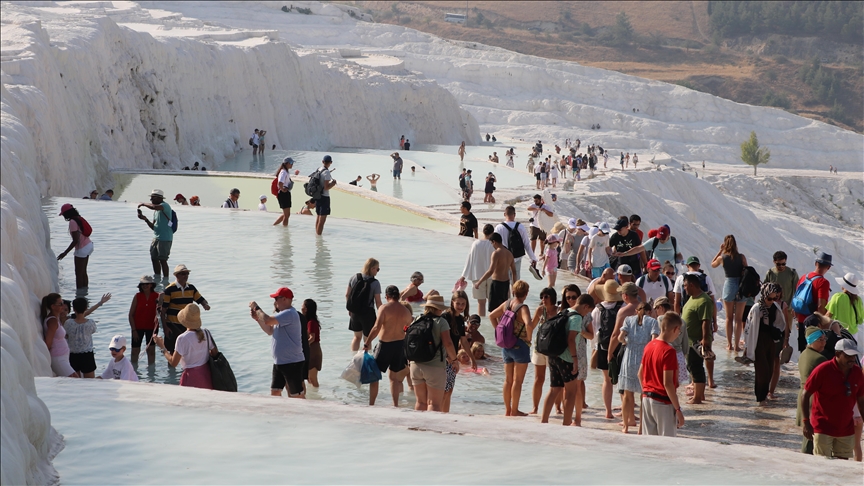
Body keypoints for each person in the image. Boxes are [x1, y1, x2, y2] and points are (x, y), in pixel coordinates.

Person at [802, 339, 864, 460]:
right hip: (823, 427)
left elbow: (861, 400)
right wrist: (805, 421)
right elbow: (805, 395)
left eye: (853, 356)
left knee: (842, 467)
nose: (851, 359)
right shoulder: (823, 370)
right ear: (837, 354)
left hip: (846, 428)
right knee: (821, 465)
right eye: (847, 356)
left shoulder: (857, 372)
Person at [542, 293, 596, 426]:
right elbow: (571, 339)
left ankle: (543, 421)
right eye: (587, 311)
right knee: (571, 392)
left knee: (554, 389)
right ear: (585, 306)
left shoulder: (565, 311)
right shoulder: (577, 317)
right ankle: (566, 424)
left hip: (554, 355)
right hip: (566, 358)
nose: (586, 314)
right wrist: (575, 359)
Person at [249, 288, 306, 398]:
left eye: (276, 298)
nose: (274, 302)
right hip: (279, 362)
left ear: (284, 299)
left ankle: (306, 413)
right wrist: (257, 319)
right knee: (275, 393)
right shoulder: (282, 315)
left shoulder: (290, 313)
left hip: (292, 362)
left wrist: (256, 307)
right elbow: (269, 330)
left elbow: (267, 319)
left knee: (297, 396)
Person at [489, 280, 534, 416]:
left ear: (513, 291)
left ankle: (507, 410)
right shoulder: (523, 307)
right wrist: (529, 338)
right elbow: (529, 324)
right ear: (526, 293)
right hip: (519, 345)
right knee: (518, 381)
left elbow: (491, 316)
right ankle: (515, 410)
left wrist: (498, 330)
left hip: (506, 346)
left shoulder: (507, 304)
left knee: (508, 380)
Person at [364, 285, 412, 406]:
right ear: (398, 296)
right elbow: (408, 331)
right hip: (399, 346)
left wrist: (367, 342)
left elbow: (376, 327)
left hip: (385, 345)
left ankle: (371, 404)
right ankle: (395, 404)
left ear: (387, 296)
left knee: (375, 375)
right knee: (394, 378)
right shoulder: (406, 311)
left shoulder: (384, 308)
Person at [639, 311, 686, 437]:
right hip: (663, 402)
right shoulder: (669, 351)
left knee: (650, 445)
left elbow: (640, 374)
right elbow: (668, 383)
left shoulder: (649, 345)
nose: (678, 334)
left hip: (646, 399)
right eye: (679, 331)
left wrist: (645, 390)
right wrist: (678, 409)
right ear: (675, 329)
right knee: (667, 445)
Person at [409, 294, 458, 411]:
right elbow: (448, 343)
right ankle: (431, 429)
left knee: (420, 402)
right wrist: (455, 360)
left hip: (415, 365)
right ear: (439, 309)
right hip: (434, 367)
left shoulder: (417, 319)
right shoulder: (441, 322)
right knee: (434, 404)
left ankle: (418, 427)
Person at [742, 283, 786, 405]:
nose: (772, 301)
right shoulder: (757, 308)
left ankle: (764, 395)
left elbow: (780, 323)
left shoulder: (775, 307)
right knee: (762, 370)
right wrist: (748, 346)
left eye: (774, 298)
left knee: (770, 369)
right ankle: (760, 397)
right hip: (758, 341)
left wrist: (777, 332)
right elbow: (750, 328)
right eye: (769, 298)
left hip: (770, 342)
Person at [154, 303, 214, 389]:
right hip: (207, 375)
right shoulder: (206, 333)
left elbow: (174, 363)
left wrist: (162, 347)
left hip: (191, 377)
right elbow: (214, 352)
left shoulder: (182, 338)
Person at [160, 264, 210, 354]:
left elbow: (200, 299)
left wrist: (205, 305)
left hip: (188, 324)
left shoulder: (191, 288)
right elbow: (163, 311)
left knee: (188, 350)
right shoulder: (169, 290)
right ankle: (172, 368)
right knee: (172, 351)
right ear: (176, 275)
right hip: (173, 325)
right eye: (183, 274)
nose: (185, 276)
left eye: (187, 273)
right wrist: (165, 328)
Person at [440, 291, 477, 412]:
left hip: (453, 359)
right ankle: (438, 415)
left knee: (449, 390)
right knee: (443, 391)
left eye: (463, 304)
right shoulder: (445, 317)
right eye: (458, 303)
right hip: (443, 358)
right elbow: (443, 339)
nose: (460, 306)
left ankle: (446, 415)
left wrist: (472, 358)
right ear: (452, 302)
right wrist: (448, 356)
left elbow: (464, 341)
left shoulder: (461, 320)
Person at [711, 235, 748, 352]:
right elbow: (747, 270)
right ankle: (737, 345)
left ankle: (729, 345)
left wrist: (720, 250)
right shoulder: (741, 257)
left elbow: (712, 264)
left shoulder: (722, 258)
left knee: (728, 318)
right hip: (741, 286)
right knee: (738, 318)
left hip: (729, 284)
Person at [682, 273, 715, 404]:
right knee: (691, 366)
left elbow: (706, 321)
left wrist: (705, 339)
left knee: (696, 367)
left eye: (685, 286)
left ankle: (698, 397)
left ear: (691, 285)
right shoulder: (692, 297)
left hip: (697, 340)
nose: (684, 288)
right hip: (688, 340)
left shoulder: (704, 300)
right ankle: (698, 394)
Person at [797, 327, 829, 454]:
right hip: (812, 399)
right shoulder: (819, 359)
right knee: (811, 438)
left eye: (824, 339)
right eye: (820, 340)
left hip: (803, 396)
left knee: (808, 436)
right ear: (811, 341)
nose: (823, 342)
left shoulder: (804, 354)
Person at [530, 287, 561, 415]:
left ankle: (558, 407)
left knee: (556, 380)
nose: (543, 299)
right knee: (539, 378)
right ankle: (535, 407)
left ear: (552, 298)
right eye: (542, 297)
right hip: (540, 348)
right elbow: (531, 326)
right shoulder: (540, 310)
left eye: (546, 297)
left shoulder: (559, 311)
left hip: (554, 349)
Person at [794, 252, 833, 352]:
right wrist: (822, 324)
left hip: (801, 320)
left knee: (804, 352)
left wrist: (797, 320)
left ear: (816, 263)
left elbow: (797, 299)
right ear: (828, 267)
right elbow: (820, 306)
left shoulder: (804, 277)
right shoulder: (823, 282)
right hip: (813, 324)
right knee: (814, 352)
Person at [65, 294, 110, 378]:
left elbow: (67, 334)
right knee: (90, 382)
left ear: (74, 309)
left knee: (75, 382)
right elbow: (92, 331)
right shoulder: (90, 323)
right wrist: (100, 303)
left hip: (73, 355)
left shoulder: (68, 323)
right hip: (87, 355)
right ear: (86, 308)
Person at [458, 224, 495, 315]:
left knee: (481, 303)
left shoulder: (475, 244)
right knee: (493, 303)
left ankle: (481, 323)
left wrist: (463, 276)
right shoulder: (494, 244)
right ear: (493, 232)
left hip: (477, 276)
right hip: (492, 276)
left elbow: (469, 260)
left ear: (483, 232)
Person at [764, 250, 799, 348]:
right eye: (779, 264)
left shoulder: (792, 273)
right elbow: (764, 289)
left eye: (784, 264)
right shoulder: (770, 273)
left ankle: (781, 352)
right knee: (772, 331)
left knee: (785, 333)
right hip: (772, 308)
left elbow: (797, 290)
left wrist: (794, 307)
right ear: (774, 262)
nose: (781, 266)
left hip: (787, 309)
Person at [474, 233, 517, 312]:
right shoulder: (509, 253)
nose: (492, 245)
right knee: (503, 309)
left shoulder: (496, 253)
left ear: (494, 242)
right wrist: (514, 286)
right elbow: (514, 271)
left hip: (497, 284)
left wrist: (479, 282)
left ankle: (496, 324)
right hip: (506, 284)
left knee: (494, 310)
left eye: (491, 243)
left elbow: (491, 271)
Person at [346, 258, 383, 351]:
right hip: (368, 313)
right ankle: (366, 360)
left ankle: (353, 358)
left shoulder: (354, 277)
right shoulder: (375, 283)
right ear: (372, 268)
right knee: (367, 340)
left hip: (355, 312)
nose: (377, 271)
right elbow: (378, 302)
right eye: (377, 269)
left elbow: (347, 295)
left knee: (356, 337)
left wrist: (350, 309)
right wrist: (382, 314)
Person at [40, 293, 79, 378]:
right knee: (75, 378)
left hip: (63, 356)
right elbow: (48, 342)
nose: (63, 305)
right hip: (58, 357)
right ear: (53, 306)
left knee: (69, 381)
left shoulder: (56, 318)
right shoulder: (52, 321)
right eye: (60, 303)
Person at [494, 206, 538, 281]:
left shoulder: (499, 228)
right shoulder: (520, 227)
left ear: (504, 214)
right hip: (517, 257)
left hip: (503, 257)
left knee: (504, 280)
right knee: (515, 280)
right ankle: (515, 292)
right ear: (514, 214)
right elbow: (526, 244)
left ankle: (507, 293)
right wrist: (533, 258)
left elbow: (494, 244)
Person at [57, 203, 94, 290]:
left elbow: (75, 240)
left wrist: (65, 253)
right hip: (89, 244)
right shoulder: (79, 218)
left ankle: (79, 295)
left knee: (78, 273)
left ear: (67, 213)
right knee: (83, 272)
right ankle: (85, 291)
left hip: (82, 248)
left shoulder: (72, 222)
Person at [137, 189, 173, 278]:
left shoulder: (165, 206)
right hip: (156, 238)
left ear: (159, 198)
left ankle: (166, 280)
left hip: (165, 239)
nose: (151, 200)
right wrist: (145, 219)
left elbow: (154, 207)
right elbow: (154, 227)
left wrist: (143, 204)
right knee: (154, 258)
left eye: (153, 198)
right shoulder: (156, 212)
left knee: (163, 260)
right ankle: (157, 278)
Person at [826, 273, 863, 355]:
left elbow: (828, 315)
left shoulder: (837, 297)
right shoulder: (858, 300)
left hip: (840, 333)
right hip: (854, 334)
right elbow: (860, 319)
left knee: (839, 356)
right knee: (850, 356)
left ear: (844, 286)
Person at [129, 275, 159, 365]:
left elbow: (162, 312)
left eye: (147, 284)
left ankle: (151, 375)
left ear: (151, 285)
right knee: (135, 351)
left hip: (152, 327)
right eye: (143, 284)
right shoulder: (137, 296)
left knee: (151, 351)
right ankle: (133, 370)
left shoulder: (157, 296)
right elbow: (131, 315)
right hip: (138, 327)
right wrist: (134, 330)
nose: (145, 286)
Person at [314, 155, 337, 236]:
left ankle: (316, 235)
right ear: (331, 162)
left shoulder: (319, 169)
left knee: (318, 217)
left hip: (318, 196)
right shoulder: (326, 172)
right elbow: (326, 187)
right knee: (322, 220)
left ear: (322, 161)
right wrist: (333, 184)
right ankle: (319, 239)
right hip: (324, 197)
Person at [302, 299, 322, 388]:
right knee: (309, 378)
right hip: (312, 350)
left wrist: (302, 346)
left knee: (313, 378)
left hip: (313, 351)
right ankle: (313, 396)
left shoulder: (311, 322)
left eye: (303, 306)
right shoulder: (308, 321)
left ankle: (317, 398)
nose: (301, 308)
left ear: (306, 309)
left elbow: (312, 338)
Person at [273, 157, 295, 226]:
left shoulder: (285, 171)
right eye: (291, 163)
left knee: (286, 214)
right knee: (287, 215)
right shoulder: (283, 172)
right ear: (287, 164)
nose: (292, 165)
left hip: (285, 193)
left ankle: (275, 225)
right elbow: (280, 182)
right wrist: (283, 189)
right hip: (283, 194)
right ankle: (285, 229)